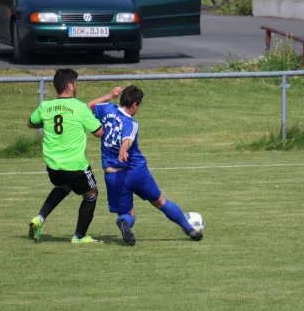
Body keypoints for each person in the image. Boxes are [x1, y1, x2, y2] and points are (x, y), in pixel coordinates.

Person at [88, 85, 203, 246]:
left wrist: (109, 95)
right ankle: (190, 229)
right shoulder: (131, 123)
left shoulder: (107, 109)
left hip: (112, 175)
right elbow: (127, 139)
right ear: (134, 105)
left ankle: (124, 222)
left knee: (128, 214)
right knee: (161, 202)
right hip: (136, 172)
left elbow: (89, 106)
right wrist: (122, 149)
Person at [27, 68, 104, 244]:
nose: (77, 86)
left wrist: (47, 121)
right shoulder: (80, 107)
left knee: (65, 186)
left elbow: (30, 123)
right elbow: (99, 132)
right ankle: (79, 237)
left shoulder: (46, 106)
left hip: (53, 166)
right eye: (76, 83)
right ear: (70, 86)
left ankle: (40, 218)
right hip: (75, 165)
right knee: (91, 194)